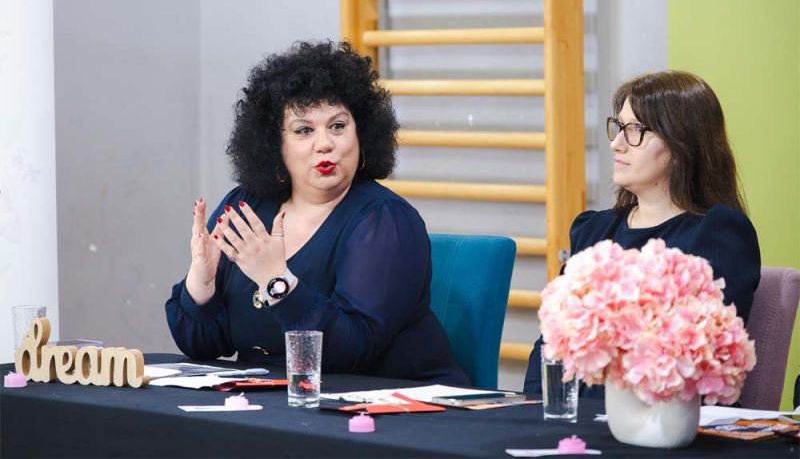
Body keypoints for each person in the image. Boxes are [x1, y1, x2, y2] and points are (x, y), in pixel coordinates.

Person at [165, 41, 469, 385]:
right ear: (275, 144)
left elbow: (350, 351)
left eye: (338, 126)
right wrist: (202, 282)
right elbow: (203, 345)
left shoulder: (385, 220)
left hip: (398, 406)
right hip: (282, 403)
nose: (324, 143)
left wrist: (276, 281)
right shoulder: (248, 207)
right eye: (304, 130)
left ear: (361, 133)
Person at [524, 70, 761, 395]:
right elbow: (549, 346)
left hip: (666, 416)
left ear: (682, 143)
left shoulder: (718, 232)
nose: (616, 144)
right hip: (575, 418)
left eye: (635, 130)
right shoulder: (593, 229)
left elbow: (701, 357)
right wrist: (537, 410)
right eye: (618, 127)